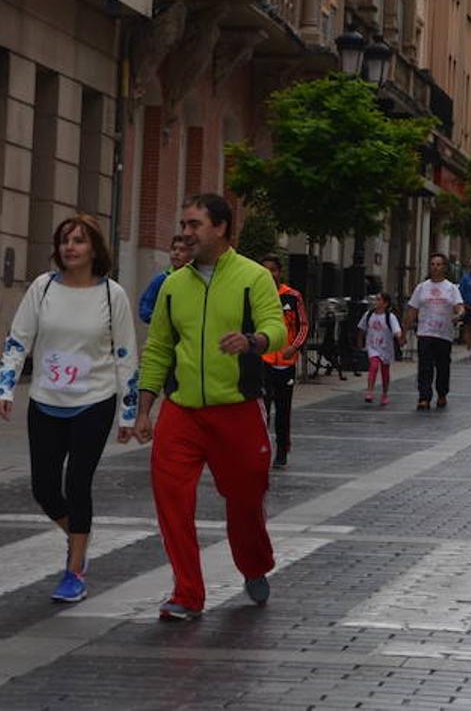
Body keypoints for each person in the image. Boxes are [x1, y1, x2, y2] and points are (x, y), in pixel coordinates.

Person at [130, 193, 287, 621]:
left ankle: (253, 563)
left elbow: (276, 328)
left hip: (237, 409)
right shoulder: (172, 285)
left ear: (220, 228)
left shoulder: (253, 277)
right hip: (182, 411)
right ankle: (186, 593)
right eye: (184, 224)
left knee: (245, 499)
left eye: (194, 224)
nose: (185, 232)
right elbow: (159, 348)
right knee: (171, 499)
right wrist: (144, 409)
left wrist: (251, 341)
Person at [0, 215, 137, 604]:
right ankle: (79, 537)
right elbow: (18, 340)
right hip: (46, 400)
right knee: (44, 488)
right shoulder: (42, 288)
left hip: (95, 401)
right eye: (64, 241)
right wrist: (5, 387)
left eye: (78, 240)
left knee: (77, 483)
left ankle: (74, 570)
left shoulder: (112, 294)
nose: (70, 247)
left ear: (94, 248)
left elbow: (125, 355)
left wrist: (128, 412)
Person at [259, 255, 309, 468]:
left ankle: (282, 450)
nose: (269, 274)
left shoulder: (292, 297)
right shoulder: (257, 295)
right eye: (265, 270)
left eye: (273, 270)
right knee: (262, 410)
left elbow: (304, 326)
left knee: (283, 410)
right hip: (264, 361)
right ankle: (261, 450)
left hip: (286, 364)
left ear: (280, 272)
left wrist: (294, 347)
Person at [404, 253, 465, 410]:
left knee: (442, 366)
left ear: (444, 267)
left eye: (438, 264)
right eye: (432, 264)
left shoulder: (451, 288)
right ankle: (424, 397)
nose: (435, 267)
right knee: (425, 365)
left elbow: (459, 306)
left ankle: (442, 393)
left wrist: (458, 315)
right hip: (425, 332)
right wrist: (404, 331)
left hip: (444, 334)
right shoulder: (422, 288)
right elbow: (412, 310)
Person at [357, 292, 404, 406]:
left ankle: (384, 394)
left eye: (379, 300)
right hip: (372, 346)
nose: (376, 302)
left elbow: (396, 330)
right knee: (373, 366)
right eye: (376, 299)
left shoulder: (390, 317)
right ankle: (369, 391)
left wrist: (400, 338)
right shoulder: (369, 315)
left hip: (385, 348)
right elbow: (361, 329)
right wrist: (360, 342)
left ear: (385, 303)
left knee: (385, 371)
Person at [138, 234, 192, 324]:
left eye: (182, 250)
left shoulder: (195, 279)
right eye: (174, 249)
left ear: (190, 255)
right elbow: (145, 305)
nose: (176, 253)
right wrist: (156, 319)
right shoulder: (161, 279)